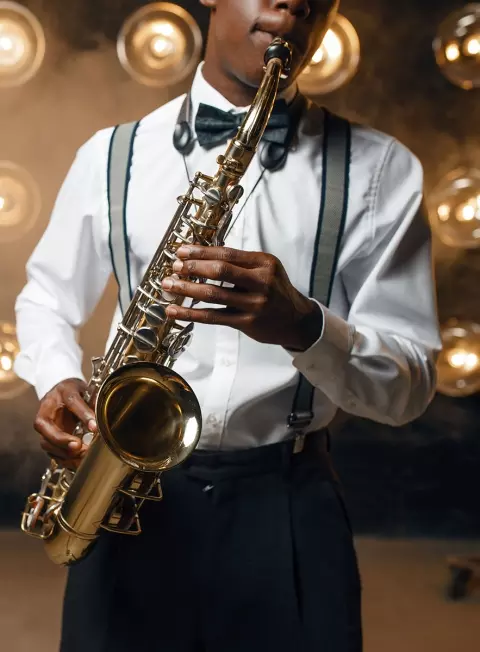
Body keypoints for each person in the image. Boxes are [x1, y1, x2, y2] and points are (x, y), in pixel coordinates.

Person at [14, 1, 442, 651]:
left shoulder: (382, 171)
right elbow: (45, 296)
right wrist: (57, 377)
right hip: (126, 498)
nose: (290, 3)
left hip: (288, 508)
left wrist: (304, 325)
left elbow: (407, 390)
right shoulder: (112, 154)